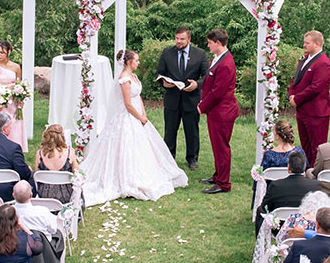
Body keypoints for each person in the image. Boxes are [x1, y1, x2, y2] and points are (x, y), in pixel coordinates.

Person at [81, 49, 188, 206]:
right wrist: (140, 117)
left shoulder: (133, 77)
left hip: (139, 116)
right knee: (127, 145)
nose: (138, 63)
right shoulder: (124, 79)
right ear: (128, 62)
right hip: (127, 118)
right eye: (136, 60)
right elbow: (128, 104)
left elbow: (138, 97)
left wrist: (144, 114)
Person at [156, 26, 208, 170]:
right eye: (177, 38)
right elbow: (159, 73)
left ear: (189, 39)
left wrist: (196, 85)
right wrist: (164, 83)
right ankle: (169, 158)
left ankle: (192, 159)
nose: (179, 41)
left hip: (191, 99)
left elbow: (207, 77)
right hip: (172, 99)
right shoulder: (167, 53)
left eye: (182, 39)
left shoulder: (200, 54)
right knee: (170, 130)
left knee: (192, 131)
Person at [197, 30, 240, 194]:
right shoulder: (218, 59)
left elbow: (218, 91)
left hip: (223, 112)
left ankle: (223, 183)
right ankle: (218, 175)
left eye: (210, 42)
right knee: (217, 146)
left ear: (218, 43)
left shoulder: (226, 64)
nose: (208, 45)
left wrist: (202, 106)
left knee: (221, 147)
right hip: (216, 111)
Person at [288, 30, 330, 167]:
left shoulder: (323, 63)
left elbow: (316, 87)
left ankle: (316, 172)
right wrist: (291, 94)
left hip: (316, 112)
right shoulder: (305, 60)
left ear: (317, 44)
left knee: (316, 147)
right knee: (305, 145)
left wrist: (297, 98)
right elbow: (295, 80)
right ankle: (306, 170)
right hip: (303, 111)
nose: (304, 45)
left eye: (307, 43)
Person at [256, 152, 321, 233]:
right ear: (304, 168)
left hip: (281, 228)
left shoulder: (276, 185)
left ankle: (261, 243)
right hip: (307, 228)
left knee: (260, 210)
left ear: (288, 167)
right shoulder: (315, 186)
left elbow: (266, 207)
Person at [253, 119, 304, 201]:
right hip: (296, 192)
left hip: (274, 195)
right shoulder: (299, 152)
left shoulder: (269, 155)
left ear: (277, 136)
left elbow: (262, 176)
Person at [34, 124, 78, 204]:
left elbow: (37, 175)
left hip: (45, 195)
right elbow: (77, 174)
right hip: (65, 197)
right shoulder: (69, 153)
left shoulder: (39, 154)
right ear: (62, 137)